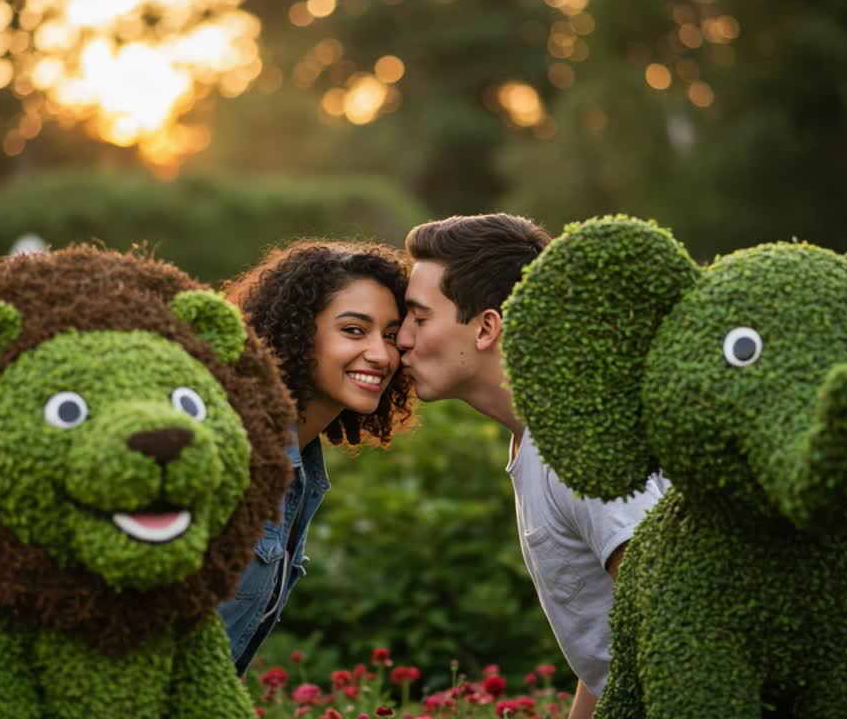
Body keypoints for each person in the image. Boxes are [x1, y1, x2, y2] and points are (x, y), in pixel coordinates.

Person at [395, 213, 669, 719]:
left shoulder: (578, 448)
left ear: (485, 327)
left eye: (419, 316)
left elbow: (675, 616)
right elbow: (610, 653)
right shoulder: (540, 440)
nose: (402, 340)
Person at [218, 240, 414, 675]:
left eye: (390, 335)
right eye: (353, 330)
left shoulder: (301, 462)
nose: (381, 355)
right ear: (296, 332)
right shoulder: (234, 450)